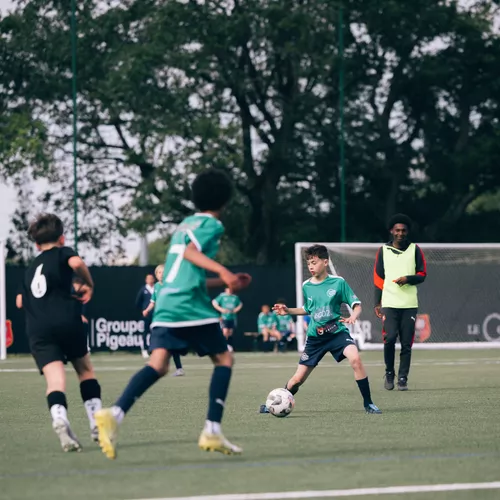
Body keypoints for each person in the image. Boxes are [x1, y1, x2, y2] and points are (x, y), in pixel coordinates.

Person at [95, 169, 251, 460]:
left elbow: (184, 270)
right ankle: (212, 429)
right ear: (225, 201)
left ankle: (114, 414)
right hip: (188, 304)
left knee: (158, 364)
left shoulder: (183, 225)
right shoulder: (212, 224)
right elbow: (191, 254)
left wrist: (223, 283)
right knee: (224, 359)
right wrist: (224, 272)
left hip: (167, 301)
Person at [259, 244, 381, 415]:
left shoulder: (338, 282)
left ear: (325, 262)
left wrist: (353, 316)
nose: (310, 266)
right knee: (297, 380)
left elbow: (357, 305)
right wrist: (288, 310)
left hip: (337, 333)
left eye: (314, 262)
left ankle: (369, 404)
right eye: (308, 263)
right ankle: (274, 404)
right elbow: (308, 309)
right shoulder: (306, 285)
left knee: (356, 360)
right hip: (315, 338)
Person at [19, 213, 102, 451]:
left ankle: (59, 418)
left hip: (38, 329)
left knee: (55, 381)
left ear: (36, 245)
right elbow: (76, 264)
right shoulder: (63, 253)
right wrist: (89, 284)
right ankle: (96, 423)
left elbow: (19, 302)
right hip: (66, 319)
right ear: (62, 239)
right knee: (85, 370)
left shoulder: (30, 269)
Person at [374, 214, 427, 391]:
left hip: (409, 304)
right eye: (397, 230)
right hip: (389, 303)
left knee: (406, 343)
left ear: (407, 232)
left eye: (403, 230)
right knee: (389, 339)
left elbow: (422, 274)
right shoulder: (383, 250)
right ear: (391, 231)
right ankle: (389, 373)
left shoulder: (415, 249)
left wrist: (408, 279)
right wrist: (377, 303)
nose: (400, 233)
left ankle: (403, 378)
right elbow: (378, 278)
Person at [142, 264, 185, 376]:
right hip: (160, 318)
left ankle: (179, 368)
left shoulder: (170, 285)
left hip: (170, 318)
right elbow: (153, 302)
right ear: (156, 275)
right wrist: (147, 310)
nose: (161, 274)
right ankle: (155, 362)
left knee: (171, 343)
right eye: (159, 272)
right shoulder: (156, 286)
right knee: (156, 339)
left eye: (163, 272)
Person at [135, 273, 155, 358]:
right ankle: (144, 349)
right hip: (147, 315)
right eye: (148, 279)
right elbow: (138, 302)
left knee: (154, 332)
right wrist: (143, 310)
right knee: (145, 332)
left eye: (151, 278)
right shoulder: (143, 290)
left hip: (155, 314)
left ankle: (152, 348)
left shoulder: (156, 289)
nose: (150, 280)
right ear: (146, 280)